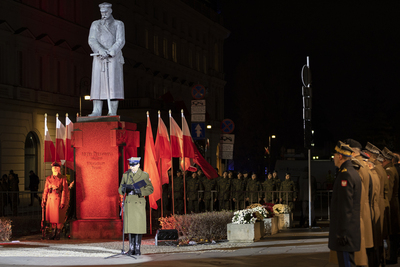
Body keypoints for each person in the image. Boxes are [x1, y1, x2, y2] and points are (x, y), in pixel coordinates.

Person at [88, 2, 125, 116]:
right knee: (97, 83)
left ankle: (112, 111)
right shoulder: (95, 24)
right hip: (99, 57)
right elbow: (92, 39)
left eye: (105, 12)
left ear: (110, 11)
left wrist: (111, 51)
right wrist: (100, 50)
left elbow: (120, 40)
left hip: (113, 57)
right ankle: (96, 110)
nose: (103, 14)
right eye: (101, 12)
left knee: (113, 84)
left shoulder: (118, 24)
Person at [329, 141, 361, 267]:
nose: (334, 158)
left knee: (346, 263)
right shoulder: (352, 172)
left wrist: (341, 233)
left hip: (345, 235)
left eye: (335, 155)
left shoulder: (345, 175)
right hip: (349, 231)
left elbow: (345, 207)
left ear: (340, 156)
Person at [118, 157, 153, 256]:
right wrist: (124, 189)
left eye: (134, 165)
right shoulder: (126, 175)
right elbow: (120, 188)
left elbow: (150, 189)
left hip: (138, 201)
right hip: (129, 201)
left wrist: (140, 191)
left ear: (138, 165)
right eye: (131, 165)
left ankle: (137, 249)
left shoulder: (144, 175)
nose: (132, 167)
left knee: (138, 226)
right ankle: (131, 248)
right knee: (131, 226)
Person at [381, 147, 400, 264]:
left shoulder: (389, 170)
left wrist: (385, 205)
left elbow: (389, 190)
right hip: (394, 204)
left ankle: (392, 257)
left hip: (392, 205)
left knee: (392, 232)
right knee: (393, 231)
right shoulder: (392, 169)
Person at [41, 162, 68, 240]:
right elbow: (45, 190)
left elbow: (64, 190)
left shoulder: (63, 178)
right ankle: (53, 232)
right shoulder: (48, 178)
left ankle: (58, 233)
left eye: (56, 168)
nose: (55, 169)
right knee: (52, 218)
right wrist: (44, 200)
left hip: (57, 198)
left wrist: (63, 201)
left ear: (59, 169)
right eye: (53, 168)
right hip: (50, 198)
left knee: (58, 218)